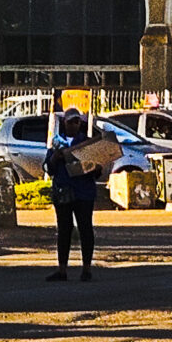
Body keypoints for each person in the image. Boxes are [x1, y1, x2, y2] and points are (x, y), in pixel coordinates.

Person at [45, 107, 105, 284]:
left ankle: (86, 269)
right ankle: (62, 269)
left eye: (77, 121)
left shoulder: (86, 143)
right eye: (70, 121)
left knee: (85, 228)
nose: (73, 124)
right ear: (64, 122)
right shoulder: (57, 143)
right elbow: (48, 168)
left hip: (84, 192)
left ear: (80, 123)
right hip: (64, 191)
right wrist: (55, 158)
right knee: (64, 230)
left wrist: (96, 167)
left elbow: (95, 171)